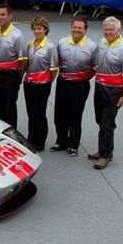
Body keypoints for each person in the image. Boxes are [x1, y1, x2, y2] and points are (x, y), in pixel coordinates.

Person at [90, 16, 123, 170]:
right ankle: (105, 148)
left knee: (107, 124)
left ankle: (105, 155)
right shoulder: (102, 42)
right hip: (99, 88)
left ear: (118, 30)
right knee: (100, 120)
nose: (108, 32)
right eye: (106, 30)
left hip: (114, 92)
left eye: (111, 30)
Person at [52, 15, 97, 157]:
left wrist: (81, 78)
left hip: (80, 85)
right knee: (59, 113)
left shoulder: (92, 46)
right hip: (63, 82)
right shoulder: (62, 42)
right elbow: (56, 62)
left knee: (75, 115)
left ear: (86, 30)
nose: (77, 30)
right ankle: (61, 141)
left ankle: (73, 145)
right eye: (74, 27)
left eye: (80, 28)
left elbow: (94, 68)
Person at [20, 16, 58, 152]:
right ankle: (31, 138)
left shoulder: (50, 47)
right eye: (35, 28)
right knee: (31, 112)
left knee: (39, 112)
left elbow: (54, 69)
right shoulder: (30, 45)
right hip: (29, 83)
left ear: (45, 30)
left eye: (40, 28)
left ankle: (40, 141)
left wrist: (47, 82)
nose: (37, 31)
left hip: (42, 85)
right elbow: (26, 64)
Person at [0, 4, 26, 128]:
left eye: (3, 15)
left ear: (10, 16)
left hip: (10, 75)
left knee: (9, 106)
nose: (0, 17)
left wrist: (18, 78)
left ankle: (11, 134)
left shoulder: (17, 35)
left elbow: (23, 60)